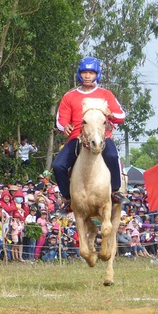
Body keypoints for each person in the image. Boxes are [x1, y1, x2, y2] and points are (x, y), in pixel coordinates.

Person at [53, 57, 129, 215]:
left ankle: (115, 192)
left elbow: (121, 115)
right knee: (58, 165)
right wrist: (65, 126)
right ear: (79, 74)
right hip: (77, 138)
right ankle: (68, 200)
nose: (87, 76)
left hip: (102, 137)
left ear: (97, 74)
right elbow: (61, 120)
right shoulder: (69, 96)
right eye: (84, 72)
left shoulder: (105, 94)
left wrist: (110, 114)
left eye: (91, 72)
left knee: (112, 155)